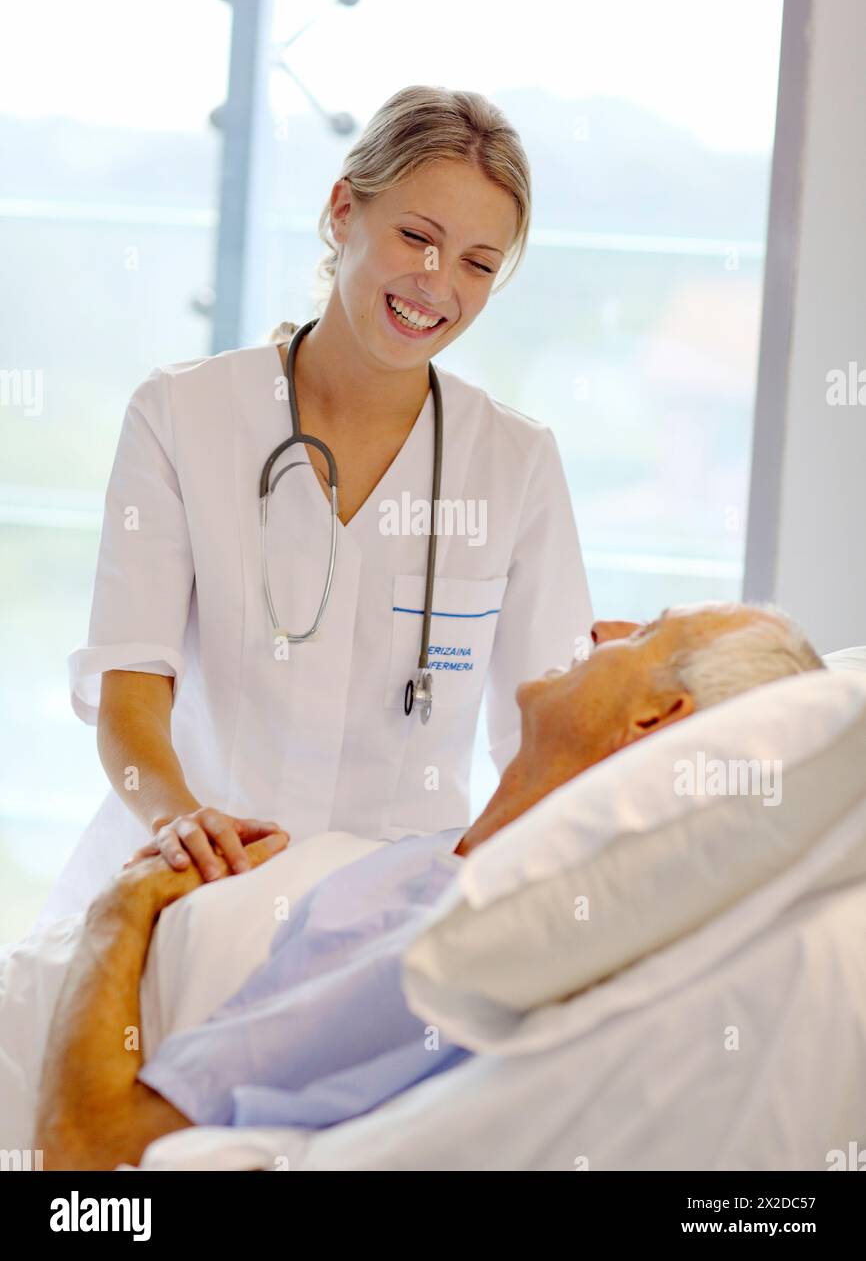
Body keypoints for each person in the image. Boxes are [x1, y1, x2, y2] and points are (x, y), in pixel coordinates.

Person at [35, 86, 593, 930]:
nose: (437, 283)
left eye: (479, 262)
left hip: (382, 925)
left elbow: (544, 740)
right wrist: (180, 824)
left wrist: (470, 885)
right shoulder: (183, 415)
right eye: (417, 236)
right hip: (182, 885)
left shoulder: (514, 463)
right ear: (343, 212)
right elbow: (131, 694)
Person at [33, 602, 825, 1170]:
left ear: (655, 720)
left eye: (645, 634)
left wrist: (118, 910)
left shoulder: (448, 943)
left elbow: (93, 1158)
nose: (603, 627)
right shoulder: (455, 862)